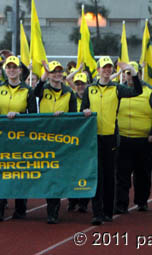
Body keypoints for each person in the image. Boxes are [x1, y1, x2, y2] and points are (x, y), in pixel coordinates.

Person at [81, 56, 142, 225]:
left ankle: (108, 212)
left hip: (110, 138)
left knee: (109, 176)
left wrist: (133, 72)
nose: (107, 70)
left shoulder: (117, 88)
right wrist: (85, 111)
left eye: (109, 68)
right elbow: (82, 111)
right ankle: (97, 212)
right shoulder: (89, 89)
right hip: (94, 138)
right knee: (97, 176)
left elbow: (137, 91)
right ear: (98, 70)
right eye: (104, 67)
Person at [0, 55, 36, 222]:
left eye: (15, 67)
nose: (12, 70)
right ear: (5, 70)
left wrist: (19, 116)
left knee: (19, 173)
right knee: (0, 173)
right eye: (9, 67)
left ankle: (20, 209)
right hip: (1, 138)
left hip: (20, 138)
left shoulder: (28, 90)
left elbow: (33, 117)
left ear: (20, 70)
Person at [115, 62, 152, 214]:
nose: (128, 76)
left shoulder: (149, 91)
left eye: (132, 73)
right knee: (122, 174)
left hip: (144, 141)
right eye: (126, 73)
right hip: (123, 139)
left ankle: (141, 201)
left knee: (142, 173)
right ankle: (121, 204)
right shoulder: (117, 90)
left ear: (139, 74)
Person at [33, 60, 77, 224]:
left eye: (59, 71)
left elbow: (74, 117)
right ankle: (51, 206)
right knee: (48, 174)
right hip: (44, 139)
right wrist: (42, 77)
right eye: (54, 71)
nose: (57, 74)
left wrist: (64, 118)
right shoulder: (42, 91)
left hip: (61, 140)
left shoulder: (69, 93)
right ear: (49, 74)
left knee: (57, 174)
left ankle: (54, 210)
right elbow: (34, 93)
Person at [65, 68, 91, 213]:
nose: (80, 86)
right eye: (78, 84)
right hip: (72, 140)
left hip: (86, 140)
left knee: (85, 170)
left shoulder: (91, 97)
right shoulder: (71, 97)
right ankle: (72, 200)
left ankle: (84, 201)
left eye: (83, 84)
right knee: (72, 171)